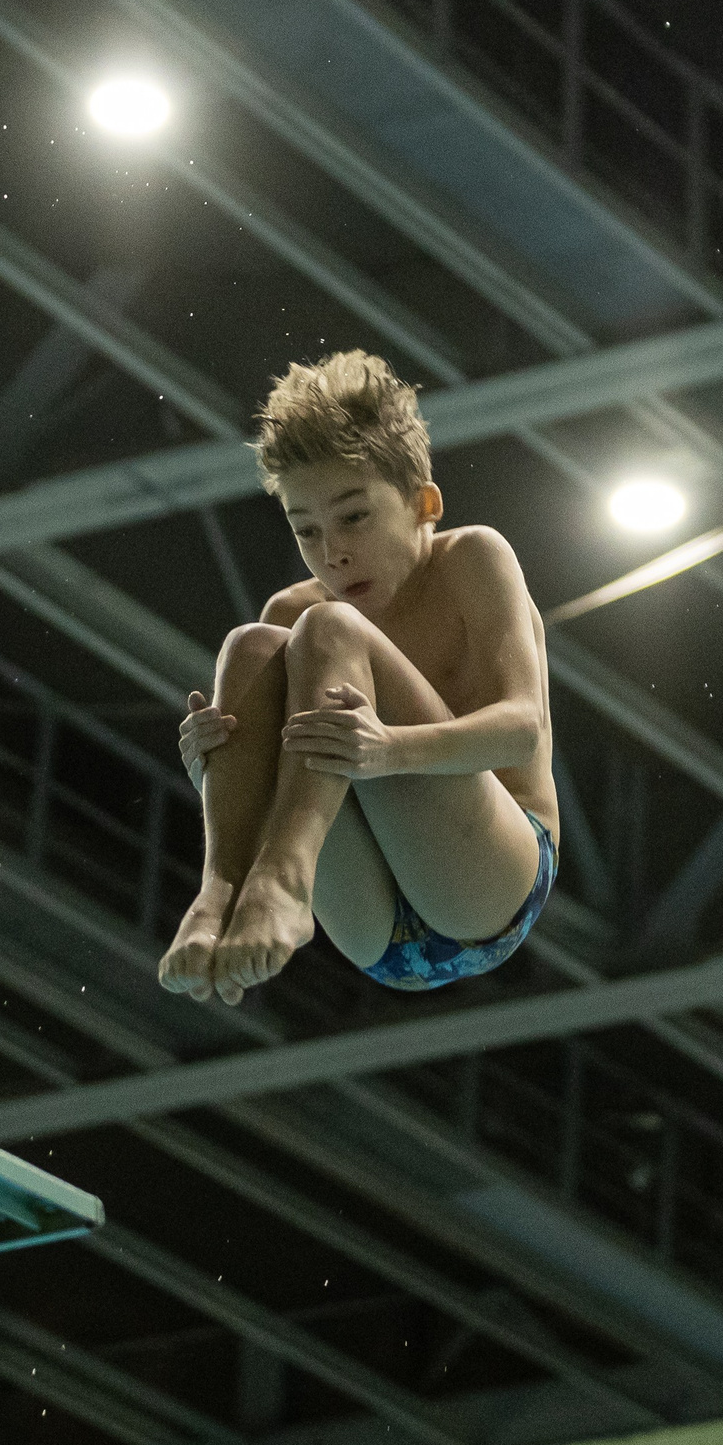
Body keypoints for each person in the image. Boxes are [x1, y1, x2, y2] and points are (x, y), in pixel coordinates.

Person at [160, 350, 559, 1005]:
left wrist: (389, 750)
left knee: (328, 627)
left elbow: (521, 730)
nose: (332, 552)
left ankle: (282, 882)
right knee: (254, 644)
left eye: (354, 517)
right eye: (306, 530)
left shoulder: (471, 559)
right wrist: (216, 768)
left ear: (423, 503)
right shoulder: (291, 608)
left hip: (491, 882)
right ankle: (222, 893)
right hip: (373, 934)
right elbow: (291, 790)